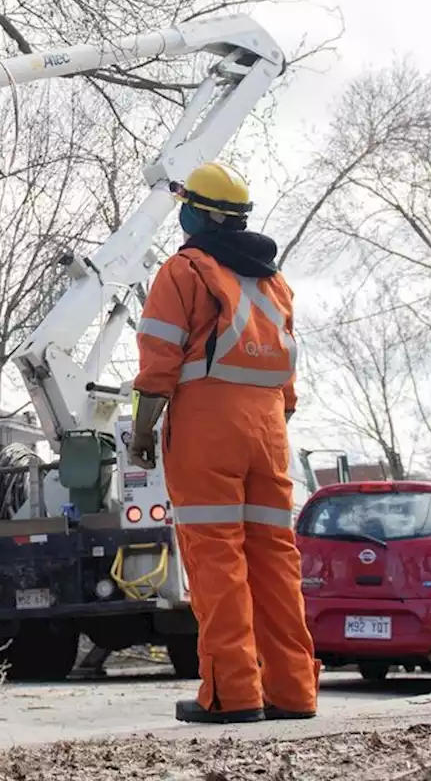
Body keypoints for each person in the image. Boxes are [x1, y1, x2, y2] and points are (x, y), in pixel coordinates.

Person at [127, 161, 318, 725]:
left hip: (208, 427)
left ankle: (231, 695)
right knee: (275, 561)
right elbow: (286, 382)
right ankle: (292, 691)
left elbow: (158, 363)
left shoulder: (184, 270)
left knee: (217, 560)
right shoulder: (274, 282)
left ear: (198, 214)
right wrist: (270, 422)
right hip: (268, 430)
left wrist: (142, 432)